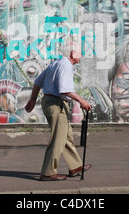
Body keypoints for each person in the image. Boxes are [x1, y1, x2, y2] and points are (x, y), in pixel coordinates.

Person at [24, 42, 92, 181]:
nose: (81, 55)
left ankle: (75, 166)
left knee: (66, 135)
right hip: (56, 104)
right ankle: (48, 172)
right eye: (80, 52)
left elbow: (37, 82)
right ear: (73, 53)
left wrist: (32, 99)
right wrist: (82, 101)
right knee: (58, 138)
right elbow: (64, 89)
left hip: (50, 101)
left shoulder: (55, 64)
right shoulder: (66, 65)